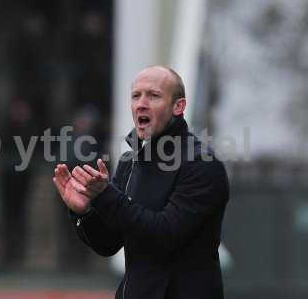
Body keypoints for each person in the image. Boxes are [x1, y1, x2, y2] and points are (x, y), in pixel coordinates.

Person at [53, 66, 229, 298]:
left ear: (179, 107)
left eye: (153, 95)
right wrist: (84, 212)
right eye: (136, 96)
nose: (141, 103)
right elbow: (109, 243)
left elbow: (166, 235)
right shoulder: (129, 162)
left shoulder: (202, 165)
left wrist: (106, 196)